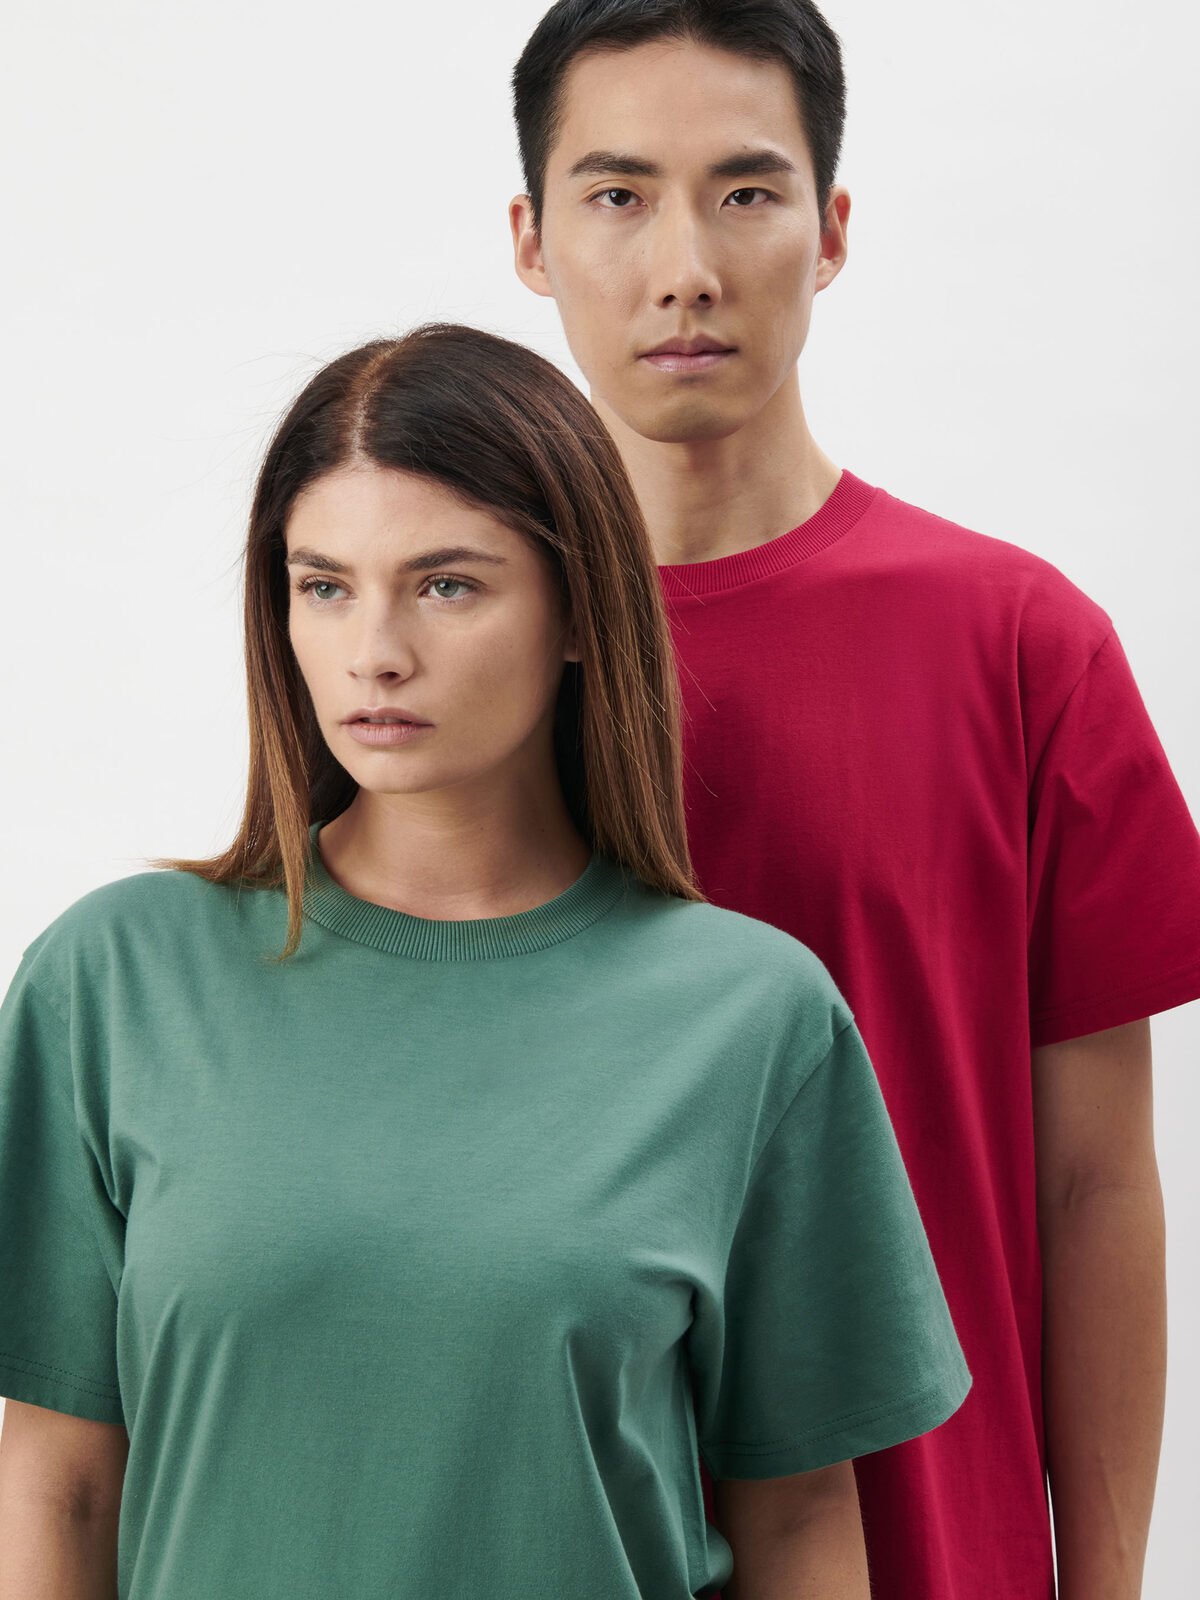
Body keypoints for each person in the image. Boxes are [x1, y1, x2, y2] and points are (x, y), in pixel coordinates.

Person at [0, 322, 969, 1598]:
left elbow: (798, 1520)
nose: (375, 651)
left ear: (579, 613)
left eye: (447, 585)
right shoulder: (113, 980)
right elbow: (60, 1482)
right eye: (324, 585)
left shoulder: (752, 1015)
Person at [506, 3, 1200, 1598]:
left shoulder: (1021, 646)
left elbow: (1095, 1186)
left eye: (745, 192)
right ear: (533, 239)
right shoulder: (435, 662)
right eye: (618, 195)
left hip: (928, 1547)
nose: (685, 266)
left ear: (829, 231)